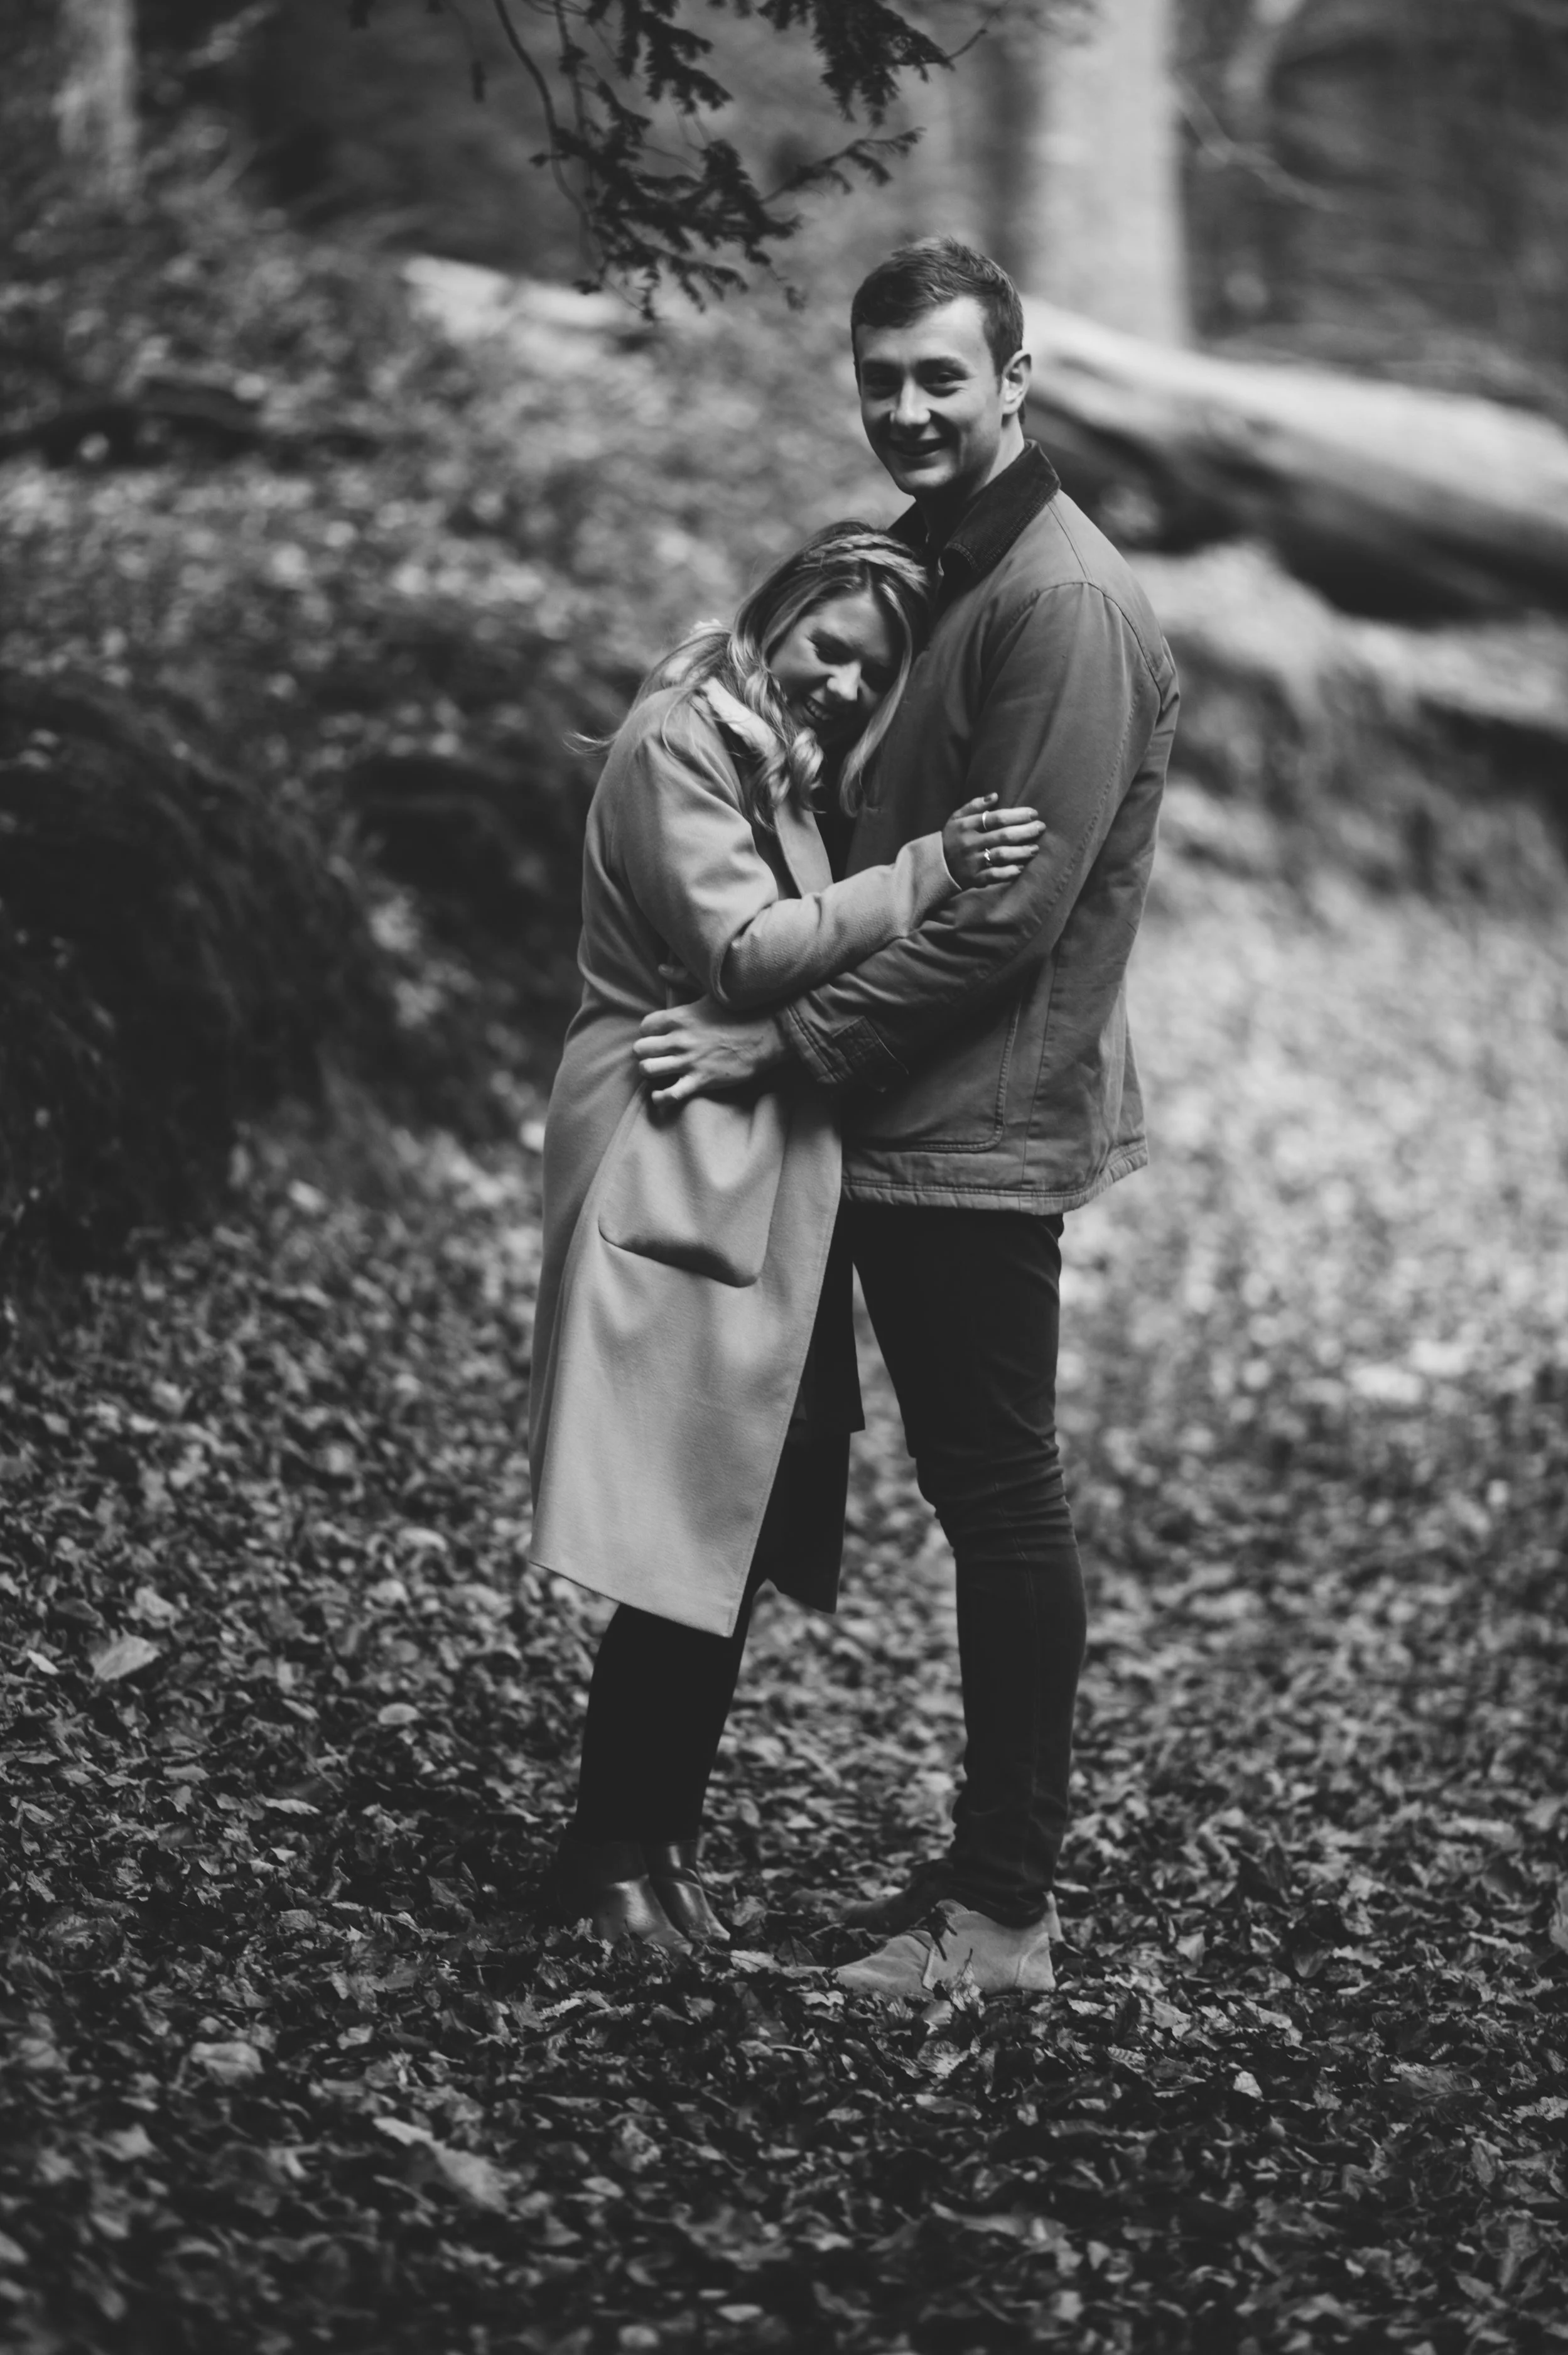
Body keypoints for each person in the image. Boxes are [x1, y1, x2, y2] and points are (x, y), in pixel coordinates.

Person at [633, 240, 1181, 1998]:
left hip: (965, 1130)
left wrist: (770, 1045)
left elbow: (1006, 917)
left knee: (995, 1492)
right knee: (727, 1455)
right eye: (882, 378)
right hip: (861, 1119)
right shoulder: (926, 567)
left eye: (943, 376)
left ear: (1015, 379)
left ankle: (1001, 1908)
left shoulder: (1059, 601)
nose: (907, 408)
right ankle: (627, 1845)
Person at [527, 521, 1046, 1949]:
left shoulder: (775, 761)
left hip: (752, 1167)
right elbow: (749, 952)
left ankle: (657, 1849)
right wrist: (929, 871)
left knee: (733, 1522)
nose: (842, 687)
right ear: (781, 611)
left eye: (871, 678)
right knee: (687, 1518)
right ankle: (605, 1856)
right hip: (673, 1145)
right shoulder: (682, 738)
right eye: (832, 650)